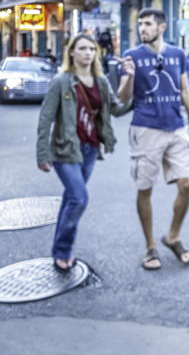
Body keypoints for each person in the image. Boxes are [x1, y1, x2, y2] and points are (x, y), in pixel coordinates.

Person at [36, 33, 130, 273]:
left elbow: (117, 109)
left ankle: (58, 248)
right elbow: (46, 117)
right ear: (71, 52)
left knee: (71, 199)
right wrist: (42, 153)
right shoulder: (61, 81)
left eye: (91, 49)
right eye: (82, 48)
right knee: (79, 198)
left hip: (89, 149)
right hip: (65, 150)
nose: (88, 53)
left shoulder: (101, 81)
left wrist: (132, 83)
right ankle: (64, 250)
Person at [117, 8, 189, 270]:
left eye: (147, 24)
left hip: (176, 127)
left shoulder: (177, 54)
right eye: (140, 24)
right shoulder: (132, 56)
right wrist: (129, 76)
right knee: (145, 189)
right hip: (145, 128)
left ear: (161, 27)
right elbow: (123, 98)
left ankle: (172, 236)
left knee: (186, 184)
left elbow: (185, 89)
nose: (142, 29)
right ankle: (150, 246)